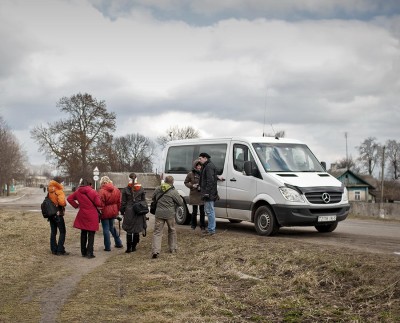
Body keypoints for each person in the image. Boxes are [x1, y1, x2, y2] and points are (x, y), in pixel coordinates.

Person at [67, 178, 102, 259]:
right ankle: (90, 253)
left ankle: (83, 252)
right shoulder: (93, 191)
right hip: (92, 215)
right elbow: (98, 203)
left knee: (83, 233)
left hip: (82, 214)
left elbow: (69, 199)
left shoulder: (78, 191)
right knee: (91, 234)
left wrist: (77, 205)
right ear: (89, 184)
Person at [151, 175, 183, 259]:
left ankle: (155, 251)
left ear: (165, 181)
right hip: (170, 214)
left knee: (157, 232)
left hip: (159, 214)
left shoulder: (158, 189)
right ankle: (172, 248)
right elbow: (180, 202)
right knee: (172, 230)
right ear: (172, 182)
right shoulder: (173, 191)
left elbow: (153, 198)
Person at [120, 173, 148, 253]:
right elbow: (144, 201)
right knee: (136, 229)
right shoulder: (141, 189)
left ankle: (128, 248)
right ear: (136, 179)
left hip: (129, 211)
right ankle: (134, 247)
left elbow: (123, 203)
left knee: (129, 230)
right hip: (139, 211)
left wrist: (122, 212)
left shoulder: (125, 190)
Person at [98, 176, 123, 251]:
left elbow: (101, 204)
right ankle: (118, 242)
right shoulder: (116, 190)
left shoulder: (102, 191)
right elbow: (119, 202)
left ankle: (107, 246)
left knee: (106, 228)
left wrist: (100, 211)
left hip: (105, 211)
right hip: (113, 211)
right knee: (112, 227)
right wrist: (117, 211)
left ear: (102, 182)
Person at [198, 152, 220, 236]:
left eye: (200, 158)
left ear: (205, 158)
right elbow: (211, 178)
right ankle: (211, 229)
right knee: (209, 211)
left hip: (209, 194)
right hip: (209, 193)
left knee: (210, 211)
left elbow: (210, 181)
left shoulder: (209, 166)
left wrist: (206, 192)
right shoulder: (207, 166)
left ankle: (211, 230)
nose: (199, 160)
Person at [47, 176, 68, 255]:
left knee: (53, 232)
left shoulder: (50, 190)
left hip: (51, 214)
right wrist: (65, 203)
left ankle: (53, 249)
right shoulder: (59, 191)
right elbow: (62, 203)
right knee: (62, 232)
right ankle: (60, 250)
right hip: (58, 213)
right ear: (59, 183)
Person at [184, 159, 205, 230]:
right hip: (194, 194)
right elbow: (186, 182)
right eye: (198, 166)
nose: (199, 167)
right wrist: (192, 186)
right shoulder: (190, 174)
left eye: (200, 166)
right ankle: (193, 225)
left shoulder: (203, 172)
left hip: (202, 193)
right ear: (195, 166)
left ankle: (202, 225)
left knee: (202, 211)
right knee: (194, 211)